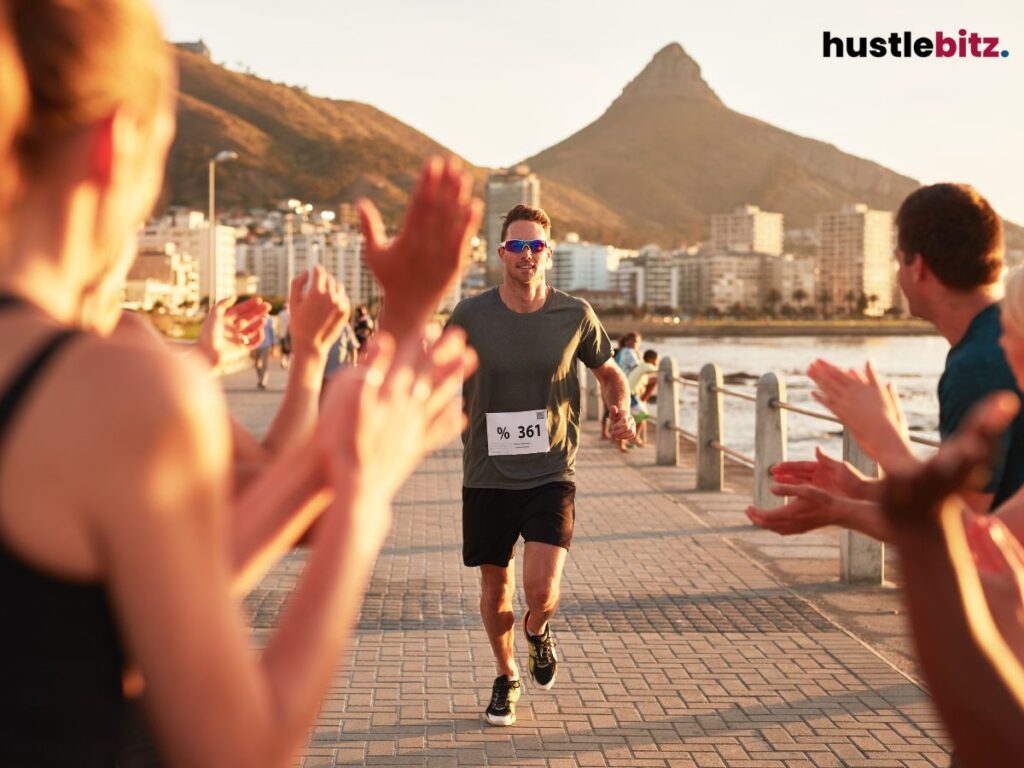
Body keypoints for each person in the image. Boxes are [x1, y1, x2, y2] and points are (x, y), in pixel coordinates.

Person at [0, 4, 478, 768]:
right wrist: (362, 500)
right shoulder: (111, 388)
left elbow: (120, 613)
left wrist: (391, 336)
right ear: (118, 145)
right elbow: (241, 750)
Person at [747, 183, 1024, 542]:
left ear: (917, 266)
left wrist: (852, 494)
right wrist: (862, 490)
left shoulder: (978, 364)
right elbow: (974, 506)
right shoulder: (992, 344)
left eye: (897, 260)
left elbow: (957, 538)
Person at [447, 204, 636, 726]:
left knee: (541, 591)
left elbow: (610, 374)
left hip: (551, 471)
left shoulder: (573, 314)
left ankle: (537, 630)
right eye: (517, 246)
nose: (526, 255)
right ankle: (506, 676)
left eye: (536, 246)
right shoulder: (470, 315)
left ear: (548, 253)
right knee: (493, 588)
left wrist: (620, 409)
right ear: (501, 252)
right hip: (486, 472)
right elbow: (435, 370)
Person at [627, 349, 659, 448]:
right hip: (631, 395)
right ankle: (633, 438)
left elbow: (646, 381)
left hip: (631, 393)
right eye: (656, 360)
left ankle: (631, 439)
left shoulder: (641, 367)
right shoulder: (647, 366)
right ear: (650, 359)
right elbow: (658, 370)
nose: (657, 362)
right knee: (643, 415)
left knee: (634, 417)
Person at [252, 313, 276, 388]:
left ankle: (263, 382)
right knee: (256, 364)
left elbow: (272, 332)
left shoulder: (269, 319)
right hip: (256, 345)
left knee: (265, 364)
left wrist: (273, 345)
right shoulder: (254, 318)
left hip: (266, 344)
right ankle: (260, 378)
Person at [277, 300, 291, 368]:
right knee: (288, 350)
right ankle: (287, 362)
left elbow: (278, 325)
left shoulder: (280, 314)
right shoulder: (290, 314)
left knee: (283, 350)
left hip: (282, 334)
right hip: (288, 334)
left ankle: (283, 361)